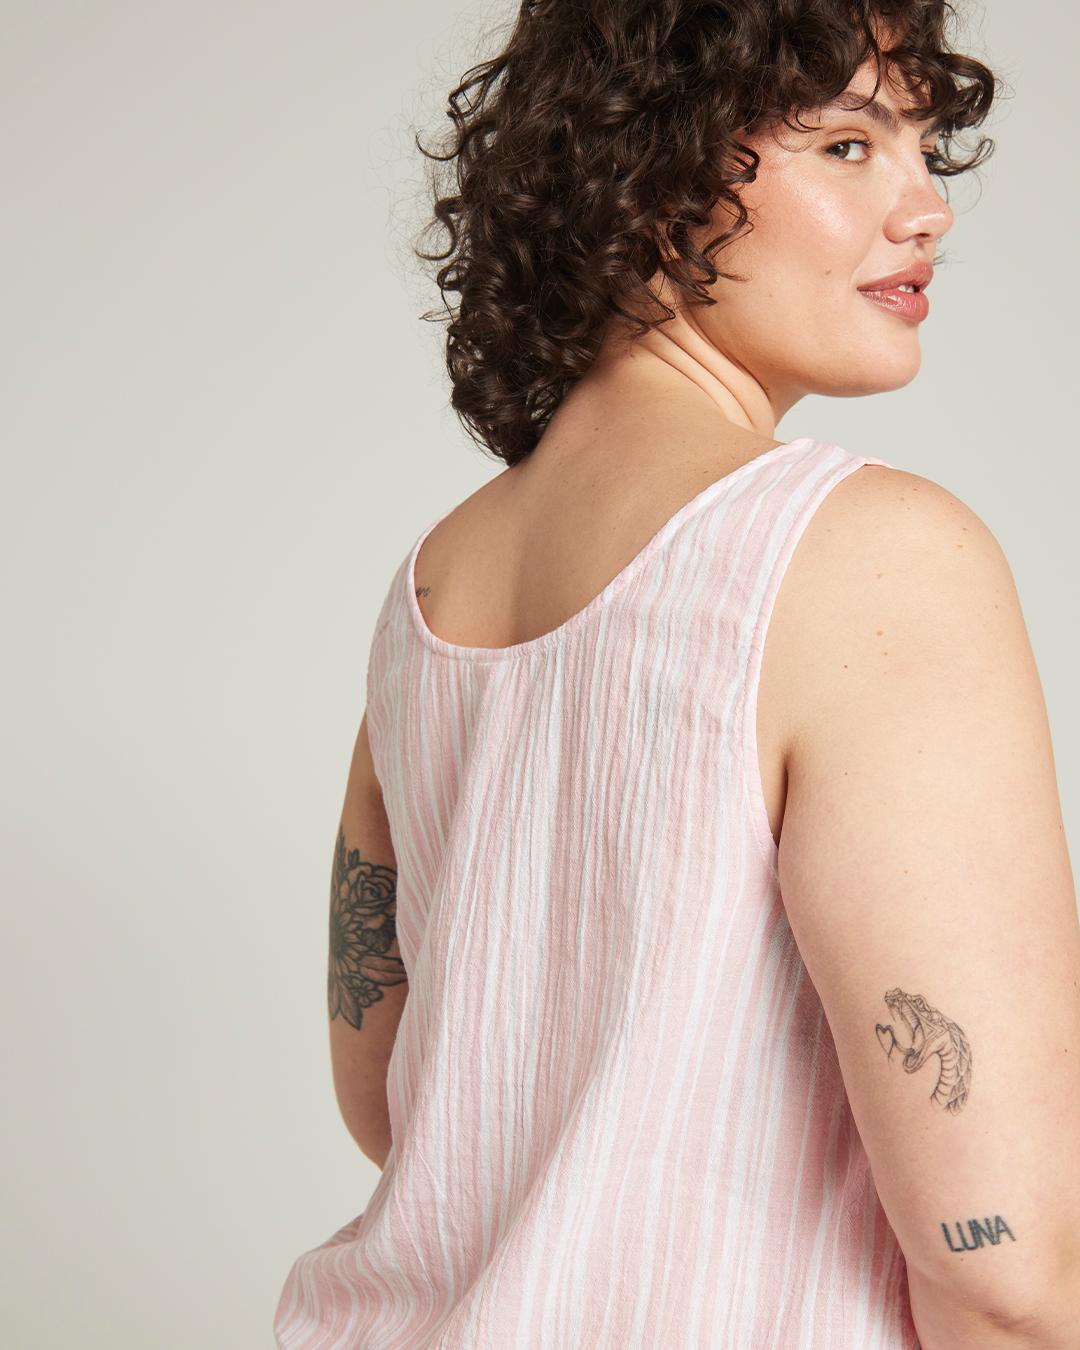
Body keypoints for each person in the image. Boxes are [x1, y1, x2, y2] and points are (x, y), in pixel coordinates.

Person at [275, 3, 1080, 1346]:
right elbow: (1005, 1269)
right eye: (848, 145)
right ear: (646, 172)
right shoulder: (870, 556)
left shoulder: (434, 586)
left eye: (925, 146)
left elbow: (389, 1095)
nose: (928, 207)